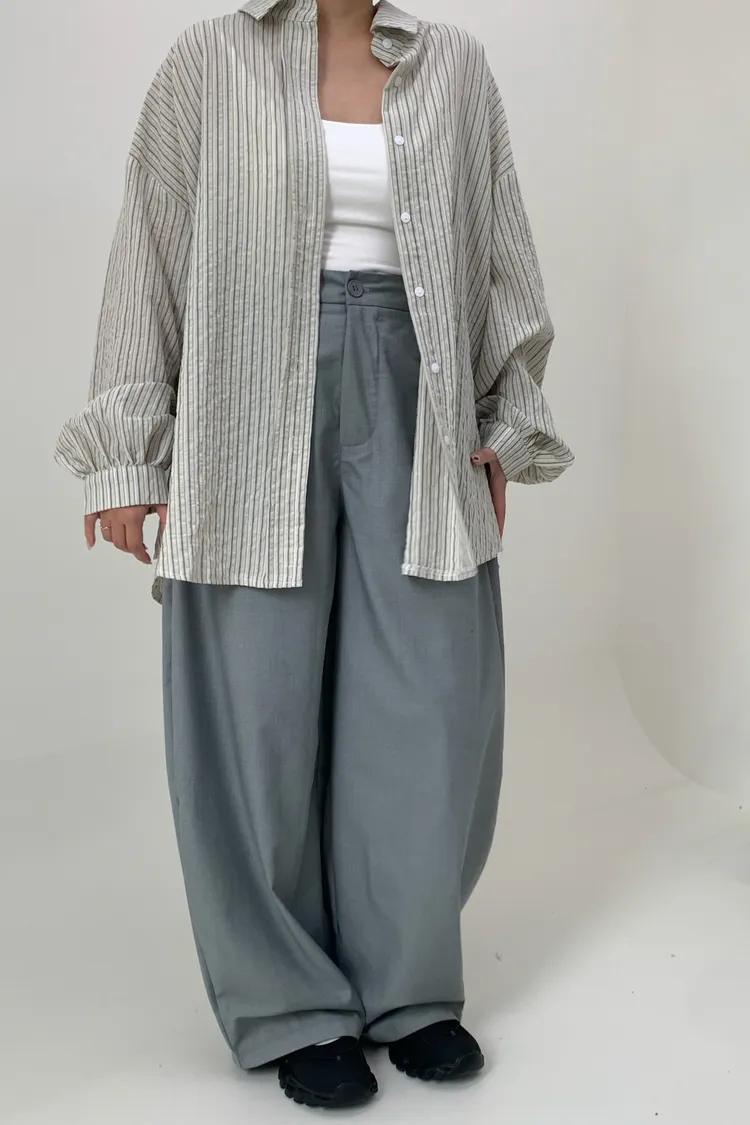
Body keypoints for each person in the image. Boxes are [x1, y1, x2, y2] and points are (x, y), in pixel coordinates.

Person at [55, 0, 573, 1110]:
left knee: (427, 700)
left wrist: (505, 417)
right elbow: (150, 248)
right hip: (244, 394)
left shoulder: (455, 66)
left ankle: (408, 988)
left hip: (417, 390)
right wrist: (129, 452)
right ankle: (292, 1003)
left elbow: (501, 255)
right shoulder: (209, 59)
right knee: (256, 707)